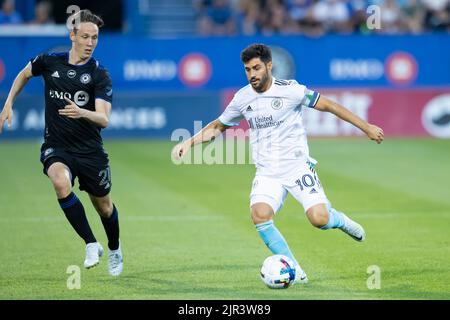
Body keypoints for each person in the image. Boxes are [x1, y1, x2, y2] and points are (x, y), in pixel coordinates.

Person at [172, 43, 384, 283]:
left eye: (256, 68)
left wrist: (366, 128)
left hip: (297, 167)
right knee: (259, 215)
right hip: (267, 172)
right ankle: (295, 270)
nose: (252, 74)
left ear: (269, 66)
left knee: (319, 219)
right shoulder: (242, 98)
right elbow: (218, 126)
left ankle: (340, 220)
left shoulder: (291, 90)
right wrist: (188, 143)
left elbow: (330, 106)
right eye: (247, 70)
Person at [0, 9, 123, 276]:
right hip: (58, 147)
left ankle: (114, 248)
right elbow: (23, 74)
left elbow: (103, 119)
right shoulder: (49, 62)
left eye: (95, 38)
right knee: (59, 182)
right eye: (86, 37)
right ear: (73, 36)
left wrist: (82, 113)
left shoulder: (99, 74)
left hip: (90, 151)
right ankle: (91, 243)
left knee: (104, 206)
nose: (90, 43)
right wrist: (8, 103)